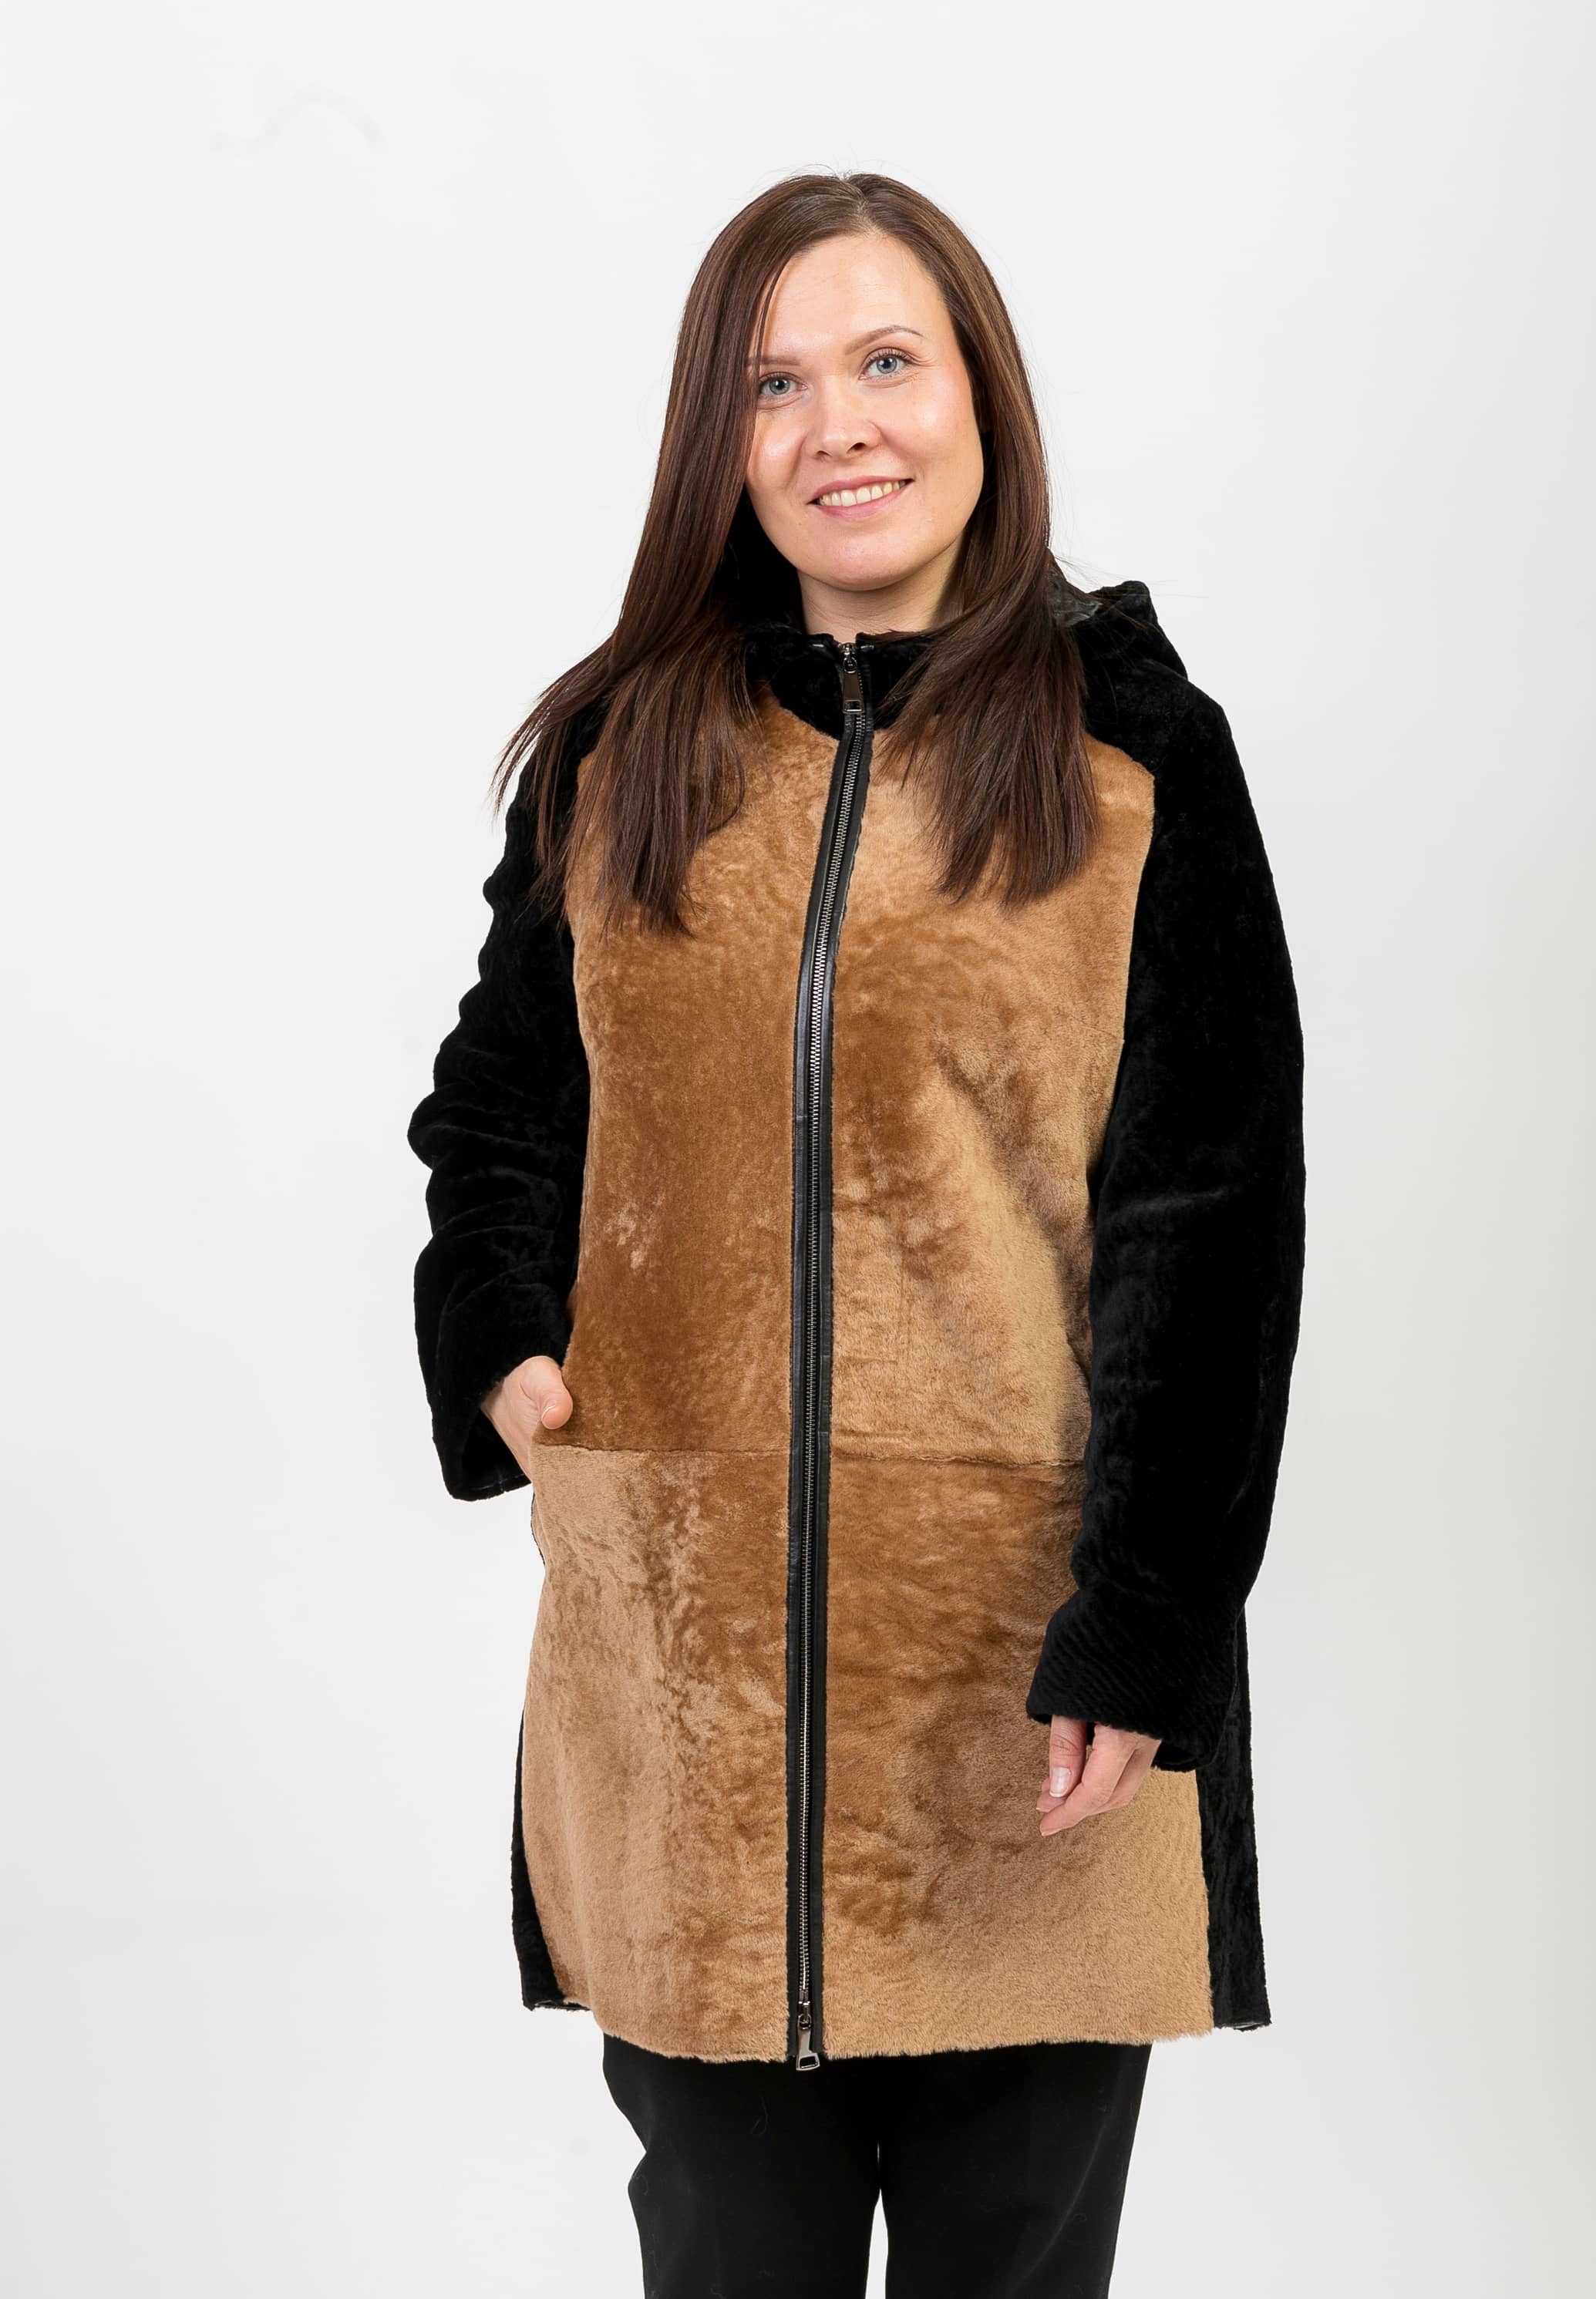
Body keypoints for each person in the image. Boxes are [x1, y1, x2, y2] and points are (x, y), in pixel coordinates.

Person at [406, 169, 1305, 2298]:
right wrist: (507, 1342)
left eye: (886, 361)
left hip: (1026, 1697)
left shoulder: (1133, 753)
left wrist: (1141, 1629)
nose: (839, 427)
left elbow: (1210, 1225)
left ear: (979, 391)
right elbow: (501, 1111)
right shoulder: (619, 749)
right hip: (687, 1682)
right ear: (716, 442)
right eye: (773, 384)